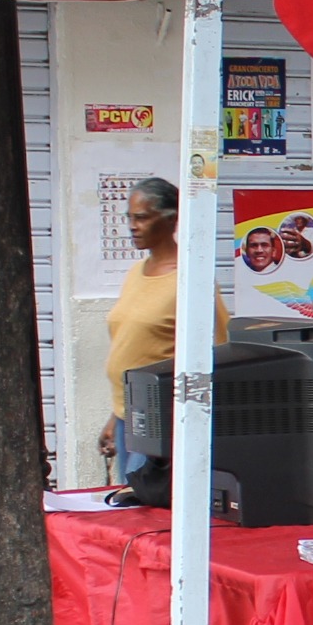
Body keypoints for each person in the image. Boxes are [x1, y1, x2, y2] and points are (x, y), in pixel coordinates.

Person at [97, 178, 228, 480]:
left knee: (147, 504)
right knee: (130, 505)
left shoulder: (190, 278)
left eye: (141, 217)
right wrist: (114, 417)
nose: (132, 226)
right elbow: (132, 347)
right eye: (128, 217)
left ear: (171, 219)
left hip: (161, 419)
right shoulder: (135, 273)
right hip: (126, 415)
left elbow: (220, 346)